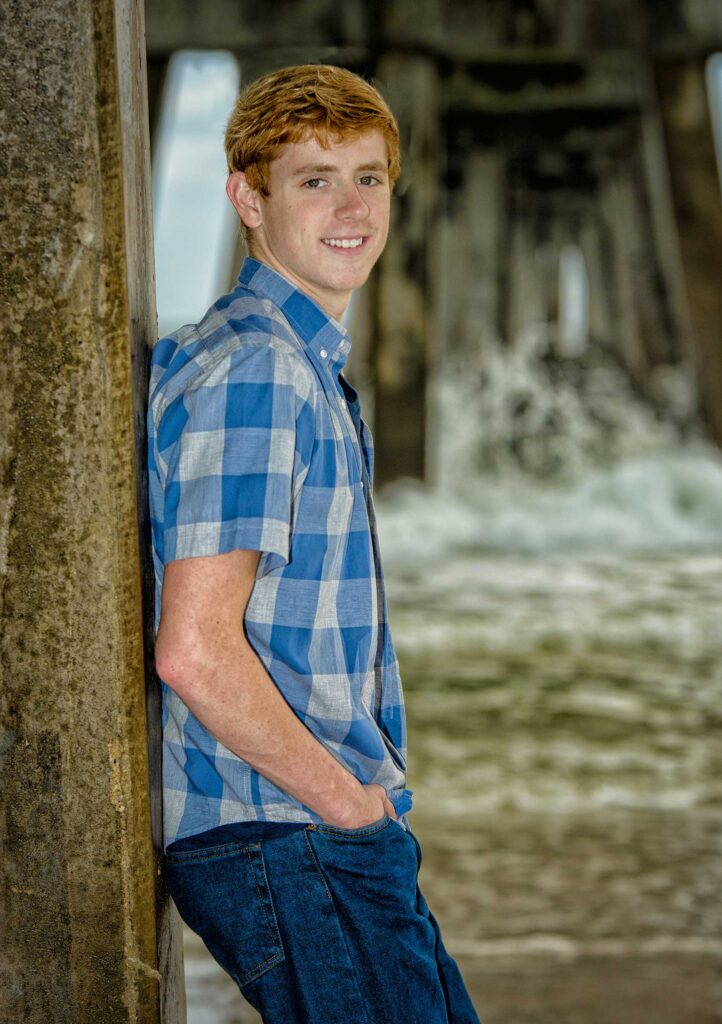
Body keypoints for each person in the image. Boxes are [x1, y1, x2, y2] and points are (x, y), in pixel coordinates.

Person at [148, 63, 480, 1024]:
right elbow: (196, 650)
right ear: (246, 199)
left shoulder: (289, 360)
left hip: (311, 829)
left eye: (368, 177)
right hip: (288, 830)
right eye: (312, 179)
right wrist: (347, 804)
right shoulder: (259, 372)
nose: (350, 208)